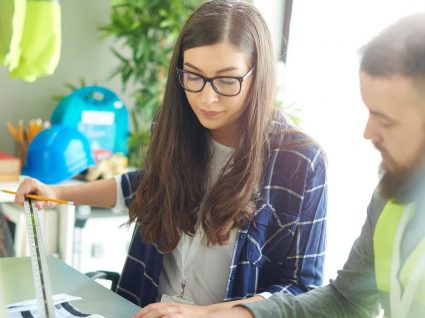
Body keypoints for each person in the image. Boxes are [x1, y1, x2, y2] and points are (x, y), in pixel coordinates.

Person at [14, 0, 327, 316]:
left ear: (258, 74)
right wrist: (58, 194)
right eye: (193, 76)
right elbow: (148, 183)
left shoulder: (301, 161)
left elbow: (303, 289)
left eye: (227, 80)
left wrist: (203, 315)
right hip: (146, 307)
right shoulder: (175, 123)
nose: (207, 98)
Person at [200, 11, 425, 318]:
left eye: (386, 120)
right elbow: (347, 302)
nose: (368, 132)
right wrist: (242, 314)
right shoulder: (393, 192)